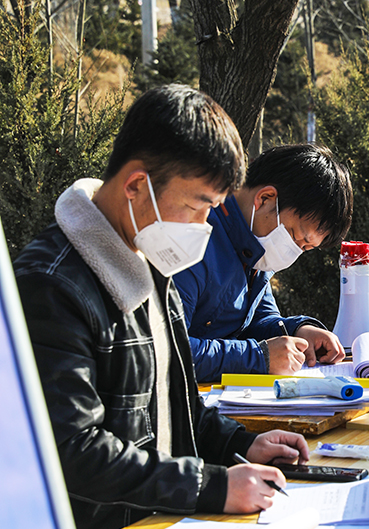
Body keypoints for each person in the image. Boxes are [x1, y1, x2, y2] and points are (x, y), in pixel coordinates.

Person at [13, 84, 310, 529]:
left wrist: (242, 444)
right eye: (198, 206)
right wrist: (211, 486)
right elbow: (73, 450)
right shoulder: (50, 286)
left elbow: (176, 402)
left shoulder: (149, 259)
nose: (204, 226)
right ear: (136, 185)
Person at [173, 144, 352, 382]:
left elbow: (257, 320)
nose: (294, 252)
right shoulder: (193, 241)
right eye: (295, 237)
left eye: (306, 248)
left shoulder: (254, 243)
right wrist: (259, 358)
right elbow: (170, 351)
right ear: (265, 198)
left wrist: (298, 331)